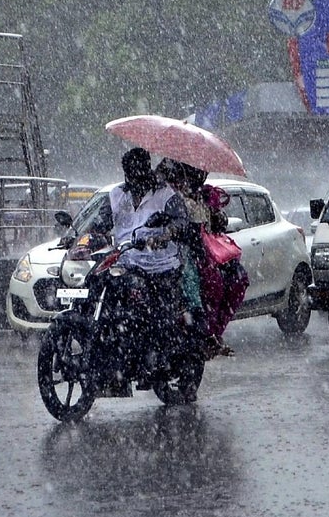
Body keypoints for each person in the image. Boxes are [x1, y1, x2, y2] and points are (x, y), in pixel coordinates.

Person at [98, 148, 191, 376]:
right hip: (127, 262)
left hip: (160, 266)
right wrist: (80, 237)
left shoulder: (166, 195)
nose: (133, 178)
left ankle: (159, 358)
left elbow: (182, 221)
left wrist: (164, 236)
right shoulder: (117, 195)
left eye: (137, 171)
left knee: (157, 317)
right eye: (129, 173)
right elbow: (100, 223)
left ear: (145, 169)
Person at [157, 158, 247, 359]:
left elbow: (213, 224)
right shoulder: (165, 195)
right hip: (175, 252)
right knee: (202, 284)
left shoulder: (204, 196)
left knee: (233, 279)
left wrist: (214, 216)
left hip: (202, 252)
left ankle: (211, 332)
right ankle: (204, 332)